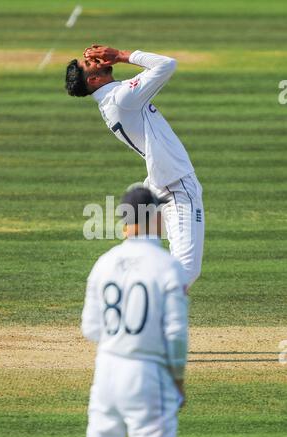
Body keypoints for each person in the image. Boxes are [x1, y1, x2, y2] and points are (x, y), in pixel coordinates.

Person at [66, 46, 204, 290]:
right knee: (186, 270)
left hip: (159, 184)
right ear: (94, 79)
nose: (94, 59)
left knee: (142, 252)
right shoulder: (122, 98)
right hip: (176, 185)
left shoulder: (113, 98)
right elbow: (167, 64)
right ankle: (137, 307)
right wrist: (120, 55)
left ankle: (125, 292)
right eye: (90, 63)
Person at [81, 186, 188, 437]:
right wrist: (178, 381)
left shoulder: (104, 263)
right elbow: (175, 335)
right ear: (151, 215)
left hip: (105, 373)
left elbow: (91, 328)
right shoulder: (168, 267)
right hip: (148, 374)